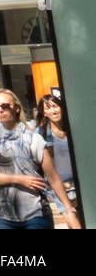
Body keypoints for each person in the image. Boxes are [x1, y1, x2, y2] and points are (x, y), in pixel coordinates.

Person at [0, 88, 76, 229]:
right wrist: (19, 179)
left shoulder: (33, 138)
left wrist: (69, 211)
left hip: (35, 214)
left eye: (5, 106)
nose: (0, 110)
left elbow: (53, 177)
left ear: (17, 108)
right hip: (4, 216)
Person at [35, 93, 82, 229]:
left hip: (81, 183)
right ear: (44, 113)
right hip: (61, 186)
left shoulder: (73, 128)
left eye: (55, 106)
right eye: (48, 108)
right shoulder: (41, 134)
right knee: (74, 224)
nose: (53, 111)